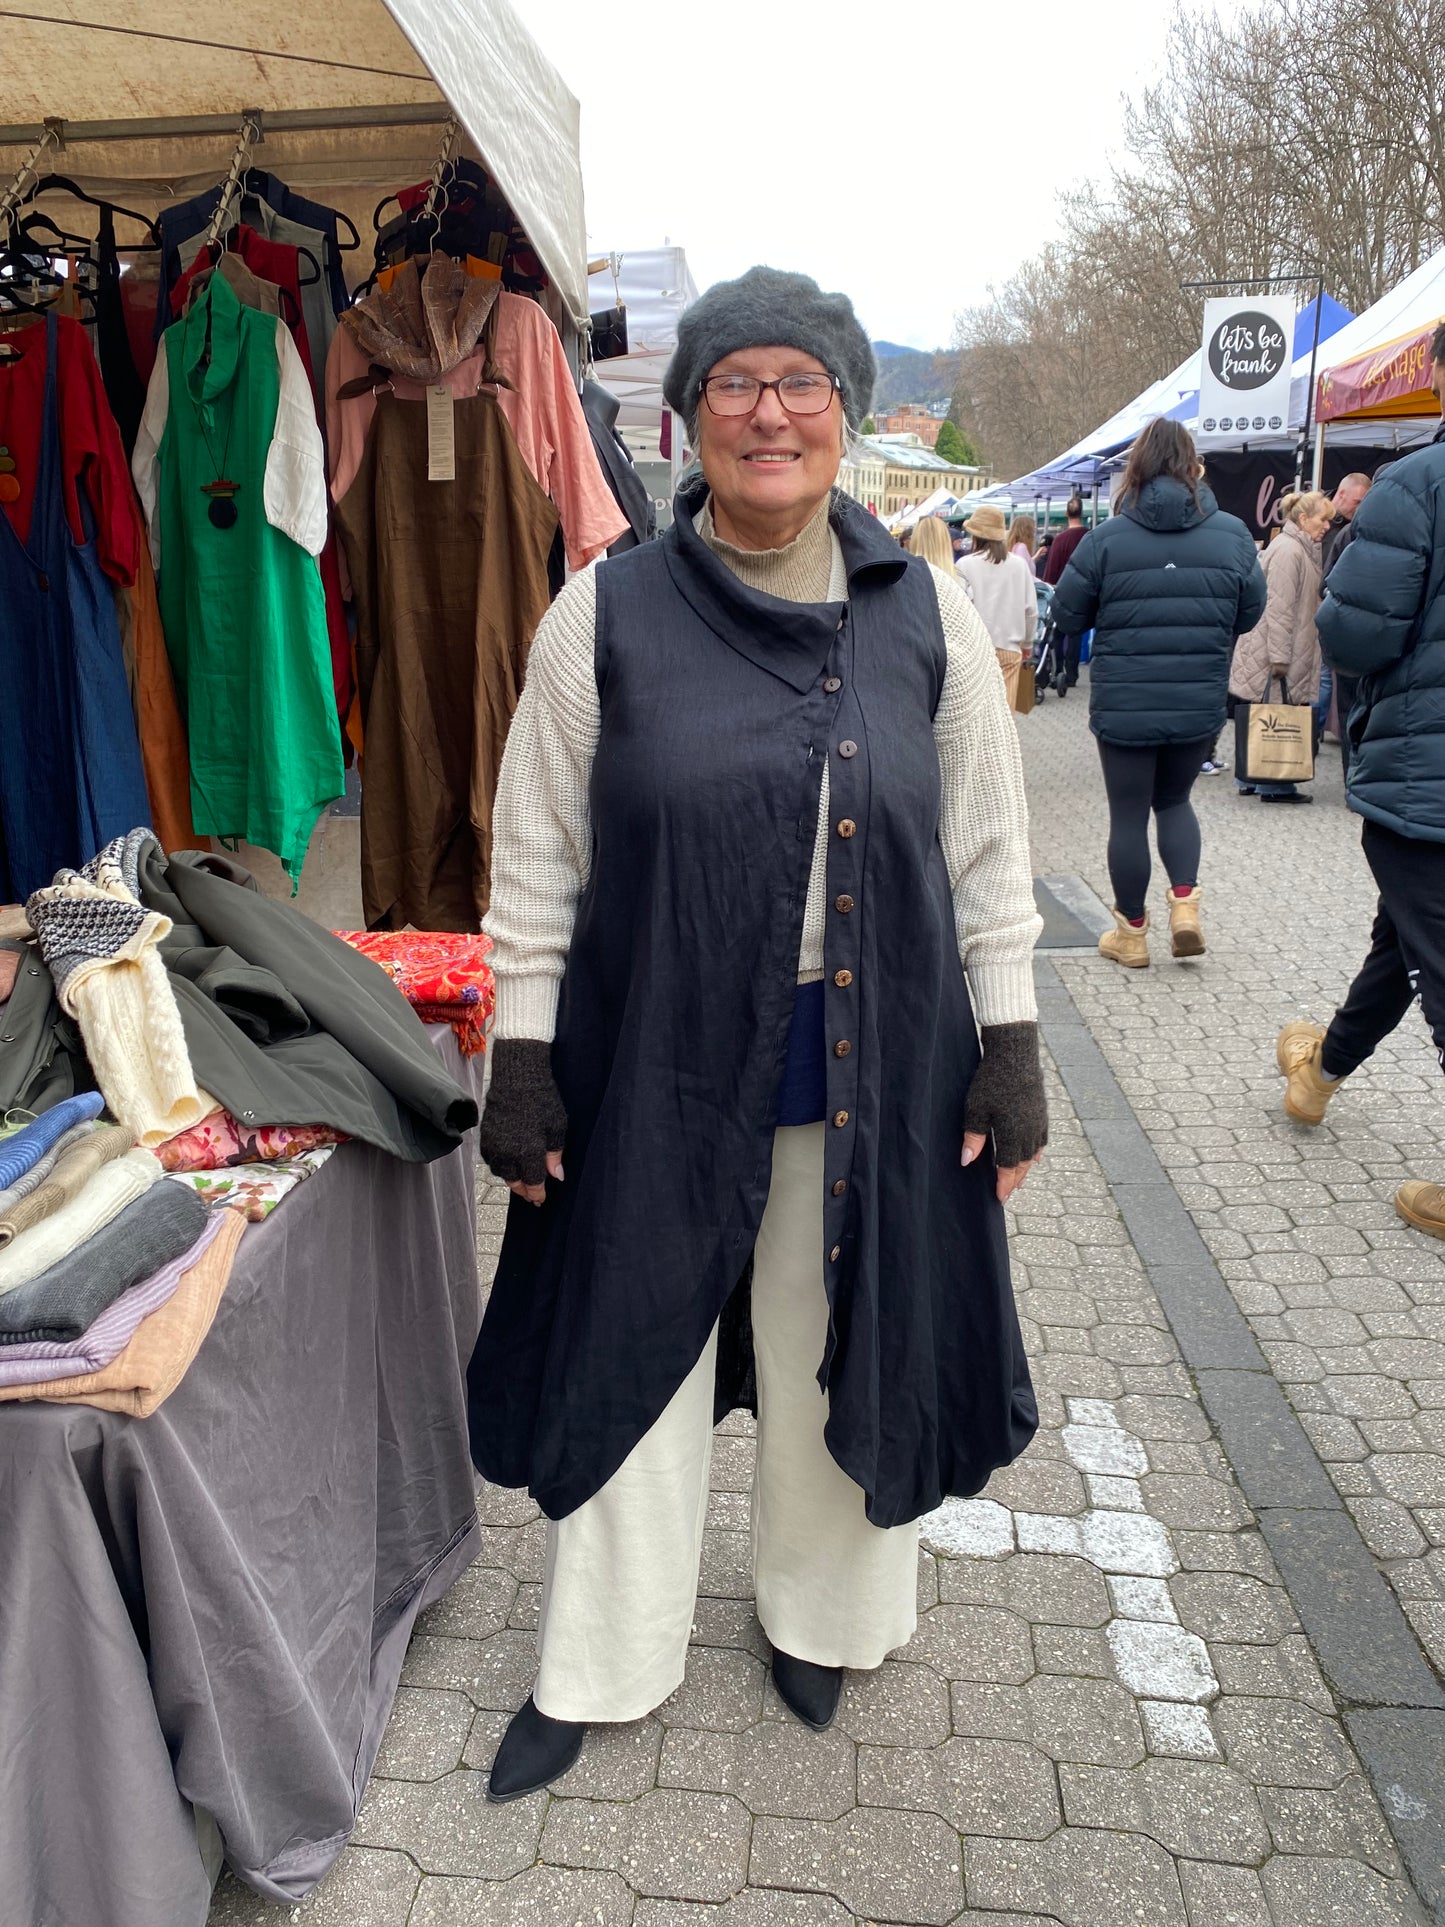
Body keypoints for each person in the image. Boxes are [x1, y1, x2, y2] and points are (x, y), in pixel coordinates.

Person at [468, 266, 1046, 1799]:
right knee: (632, 1350)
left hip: (868, 1070)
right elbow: (533, 849)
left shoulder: (916, 608)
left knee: (825, 1346)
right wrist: (520, 1057)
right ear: (691, 416)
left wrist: (1015, 1042)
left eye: (800, 384)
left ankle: (821, 1613)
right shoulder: (606, 610)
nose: (768, 412)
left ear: (844, 415)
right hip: (650, 1061)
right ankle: (601, 1654)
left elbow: (988, 852)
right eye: (736, 384)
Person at [1276, 325, 1445, 1240]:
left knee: (1434, 950)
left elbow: (1357, 632)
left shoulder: (1415, 485)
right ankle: (1318, 1076)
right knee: (1406, 937)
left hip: (1427, 768)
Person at [1050, 418, 1265, 966]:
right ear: (1193, 465)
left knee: (1128, 816)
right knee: (1175, 801)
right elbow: (1250, 612)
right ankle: (1186, 906)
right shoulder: (1235, 535)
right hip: (1197, 700)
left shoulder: (1106, 540)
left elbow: (1068, 614)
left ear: (1137, 468)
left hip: (1125, 703)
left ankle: (1132, 934)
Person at [1229, 489, 1333, 802]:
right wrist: (1279, 657)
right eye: (1322, 519)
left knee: (1260, 712)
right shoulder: (1291, 551)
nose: (1327, 525)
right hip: (1279, 648)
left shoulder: (1294, 547)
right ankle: (1275, 784)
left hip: (1278, 645)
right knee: (1277, 713)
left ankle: (1248, 776)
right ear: (1303, 519)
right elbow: (1280, 608)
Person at [955, 504, 1037, 708]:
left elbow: (959, 609)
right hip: (1010, 648)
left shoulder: (964, 565)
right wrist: (1027, 644)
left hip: (976, 650)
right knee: (1006, 714)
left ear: (975, 535)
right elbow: (1031, 610)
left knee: (978, 712)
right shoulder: (1019, 565)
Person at [1319, 471, 1375, 773]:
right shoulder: (1346, 531)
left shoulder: (1347, 533)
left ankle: (1352, 777)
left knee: (1349, 703)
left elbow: (1324, 584)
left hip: (1348, 632)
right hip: (1370, 636)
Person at [1043, 496, 1090, 683]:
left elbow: (1052, 570)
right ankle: (1072, 673)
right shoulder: (1089, 536)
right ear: (1082, 513)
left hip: (1061, 590)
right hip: (1084, 590)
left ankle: (1058, 668)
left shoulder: (1060, 540)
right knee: (1076, 634)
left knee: (1058, 632)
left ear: (1066, 513)